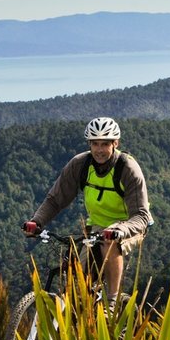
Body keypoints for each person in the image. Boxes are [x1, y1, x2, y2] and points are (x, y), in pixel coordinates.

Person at [22, 116, 151, 304]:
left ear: (115, 143)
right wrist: (37, 221)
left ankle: (113, 301)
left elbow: (141, 215)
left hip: (130, 226)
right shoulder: (80, 165)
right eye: (95, 144)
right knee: (79, 281)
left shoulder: (127, 168)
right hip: (97, 227)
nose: (99, 150)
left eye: (105, 144)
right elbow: (56, 199)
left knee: (110, 243)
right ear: (89, 144)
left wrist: (119, 230)